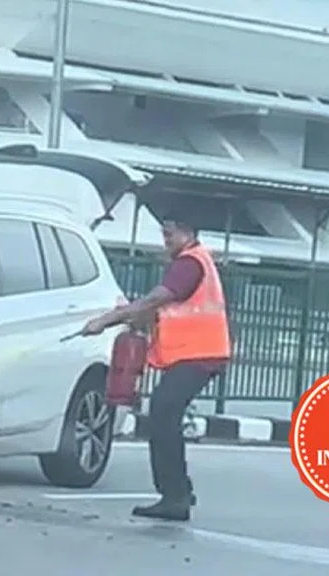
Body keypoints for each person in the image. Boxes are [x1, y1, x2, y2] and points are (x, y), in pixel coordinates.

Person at [81, 218, 230, 521]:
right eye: (163, 233)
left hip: (199, 354)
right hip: (198, 354)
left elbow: (156, 298)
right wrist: (139, 320)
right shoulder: (193, 259)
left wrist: (107, 320)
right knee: (164, 414)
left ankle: (174, 497)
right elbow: (166, 309)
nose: (165, 239)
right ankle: (179, 492)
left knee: (163, 414)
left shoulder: (190, 263)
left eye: (169, 233)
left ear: (188, 232)